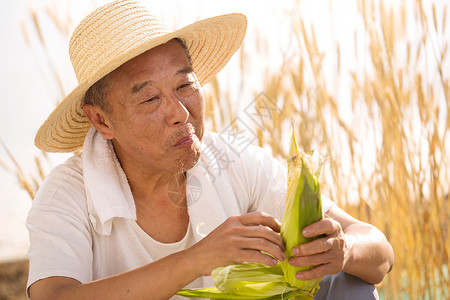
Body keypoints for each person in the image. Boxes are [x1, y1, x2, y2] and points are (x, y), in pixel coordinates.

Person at [26, 0, 394, 299]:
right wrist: (194, 261)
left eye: (185, 85)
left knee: (347, 285)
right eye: (151, 98)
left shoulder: (232, 159)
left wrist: (342, 248)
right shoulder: (68, 194)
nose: (181, 113)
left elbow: (379, 253)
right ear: (102, 121)